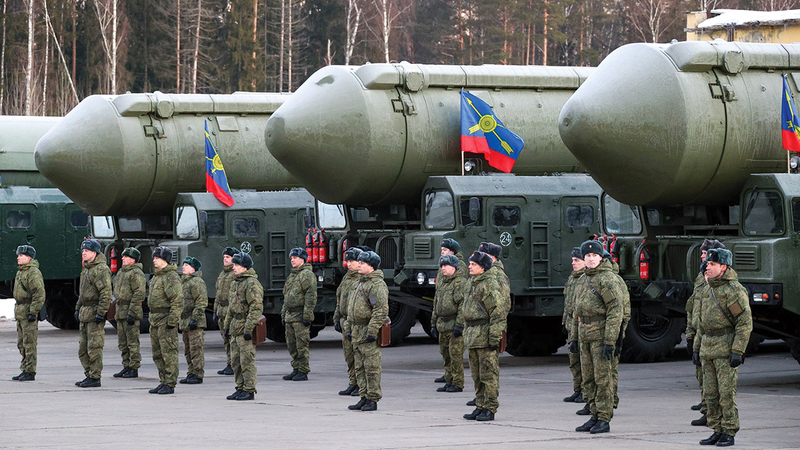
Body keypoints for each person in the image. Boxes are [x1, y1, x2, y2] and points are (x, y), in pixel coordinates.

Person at [692, 248, 752, 447]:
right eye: (707, 264)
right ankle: (716, 429)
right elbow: (701, 322)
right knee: (710, 393)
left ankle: (729, 430)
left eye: (712, 264)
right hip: (707, 348)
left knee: (726, 394)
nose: (707, 267)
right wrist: (696, 347)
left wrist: (738, 350)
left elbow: (744, 322)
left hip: (725, 349)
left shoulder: (733, 290)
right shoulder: (707, 289)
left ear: (723, 267)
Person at [569, 240, 626, 434]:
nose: (591, 259)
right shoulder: (581, 280)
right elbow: (577, 312)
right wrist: (575, 338)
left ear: (601, 257)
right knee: (588, 379)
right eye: (587, 256)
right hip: (585, 334)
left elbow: (615, 310)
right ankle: (593, 414)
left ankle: (604, 417)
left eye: (594, 256)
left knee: (603, 379)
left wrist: (610, 340)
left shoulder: (607, 279)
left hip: (600, 335)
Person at [461, 251, 506, 422]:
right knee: (477, 375)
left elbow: (498, 313)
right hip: (472, 335)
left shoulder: (489, 285)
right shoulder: (471, 283)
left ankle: (490, 407)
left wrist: (494, 338)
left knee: (488, 374)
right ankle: (480, 405)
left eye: (473, 264)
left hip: (484, 334)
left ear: (483, 267)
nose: (469, 266)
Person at [686, 239, 725, 426]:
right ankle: (707, 407)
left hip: (715, 337)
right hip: (700, 331)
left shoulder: (720, 281)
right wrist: (690, 333)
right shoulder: (702, 276)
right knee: (702, 375)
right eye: (703, 254)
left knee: (715, 380)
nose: (703, 257)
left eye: (706, 254)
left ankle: (713, 413)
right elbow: (694, 305)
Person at [346, 251, 389, 412]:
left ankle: (372, 398)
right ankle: (363, 396)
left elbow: (380, 310)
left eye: (362, 263)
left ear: (371, 266)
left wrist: (372, 331)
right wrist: (350, 328)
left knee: (371, 367)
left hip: (366, 329)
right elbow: (352, 308)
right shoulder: (360, 283)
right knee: (359, 366)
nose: (359, 265)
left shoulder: (376, 285)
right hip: (357, 329)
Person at [224, 252, 263, 401]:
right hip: (235, 324)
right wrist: (227, 326)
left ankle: (249, 388)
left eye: (237, 265)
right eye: (233, 264)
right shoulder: (235, 283)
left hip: (244, 325)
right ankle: (240, 386)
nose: (234, 267)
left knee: (247, 360)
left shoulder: (251, 283)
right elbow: (231, 307)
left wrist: (249, 328)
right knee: (236, 360)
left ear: (245, 267)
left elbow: (256, 307)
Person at [74, 239, 112, 388]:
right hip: (85, 313)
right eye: (83, 251)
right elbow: (82, 294)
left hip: (94, 312)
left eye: (87, 251)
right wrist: (77, 308)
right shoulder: (87, 269)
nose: (83, 253)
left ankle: (95, 376)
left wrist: (101, 312)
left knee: (94, 347)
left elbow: (106, 293)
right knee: (83, 348)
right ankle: (88, 374)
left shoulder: (100, 269)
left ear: (95, 253)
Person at [147, 246, 182, 395]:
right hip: (155, 319)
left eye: (157, 257)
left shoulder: (171, 277)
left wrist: (172, 321)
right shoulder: (157, 277)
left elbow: (177, 300)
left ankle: (170, 382)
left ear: (165, 260)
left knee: (168, 352)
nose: (154, 260)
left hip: (165, 319)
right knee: (157, 353)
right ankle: (163, 380)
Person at [431, 253, 467, 393]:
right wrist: (433, 323)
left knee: (455, 355)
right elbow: (436, 304)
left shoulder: (459, 283)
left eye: (446, 266)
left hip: (453, 324)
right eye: (442, 266)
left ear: (454, 267)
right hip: (443, 324)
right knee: (445, 354)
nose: (443, 269)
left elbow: (462, 305)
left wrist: (459, 324)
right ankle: (449, 379)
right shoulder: (442, 283)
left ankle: (457, 382)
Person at [281, 247, 317, 381]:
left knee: (301, 345)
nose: (292, 260)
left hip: (300, 315)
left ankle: (303, 370)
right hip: (290, 315)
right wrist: (283, 313)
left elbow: (310, 296)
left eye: (295, 258)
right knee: (292, 345)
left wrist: (307, 315)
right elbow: (287, 295)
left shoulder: (307, 275)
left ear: (302, 259)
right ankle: (296, 368)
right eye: (291, 258)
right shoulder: (293, 275)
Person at [112, 247, 146, 379]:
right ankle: (126, 366)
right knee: (123, 342)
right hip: (120, 311)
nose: (122, 258)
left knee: (132, 342)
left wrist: (132, 312)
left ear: (133, 259)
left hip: (130, 311)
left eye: (126, 257)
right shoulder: (121, 272)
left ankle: (134, 367)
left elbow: (139, 293)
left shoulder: (136, 273)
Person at [12, 245, 44, 382]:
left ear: (29, 258)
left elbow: (39, 294)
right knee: (21, 343)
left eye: (21, 255)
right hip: (21, 312)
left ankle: (30, 371)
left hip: (28, 312)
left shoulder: (33, 273)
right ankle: (24, 368)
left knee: (29, 343)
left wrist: (33, 311)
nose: (18, 257)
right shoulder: (21, 272)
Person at [333, 246, 363, 396]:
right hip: (345, 321)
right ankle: (353, 382)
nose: (349, 264)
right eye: (348, 261)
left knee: (358, 356)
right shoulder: (347, 278)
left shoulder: (361, 279)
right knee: (349, 355)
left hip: (355, 322)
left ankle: (361, 385)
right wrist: (337, 317)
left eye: (352, 261)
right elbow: (340, 298)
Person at [179, 256, 207, 385]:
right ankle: (191, 372)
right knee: (188, 349)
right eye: (183, 264)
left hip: (194, 321)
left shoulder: (196, 282)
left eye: (187, 265)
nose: (183, 266)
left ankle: (198, 373)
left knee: (196, 349)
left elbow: (201, 301)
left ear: (193, 268)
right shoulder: (184, 281)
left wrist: (195, 318)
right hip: (185, 321)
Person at [562, 247, 585, 404]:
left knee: (584, 360)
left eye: (577, 260)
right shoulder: (573, 278)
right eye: (572, 261)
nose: (573, 263)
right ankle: (578, 389)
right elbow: (568, 303)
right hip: (571, 323)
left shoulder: (585, 279)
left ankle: (586, 391)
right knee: (574, 359)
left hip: (581, 324)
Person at [215, 247, 240, 376]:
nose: (225, 259)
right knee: (226, 339)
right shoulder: (222, 274)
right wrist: (215, 310)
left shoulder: (235, 274)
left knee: (232, 339)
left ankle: (234, 364)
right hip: (221, 310)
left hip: (230, 311)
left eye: (228, 257)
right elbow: (218, 294)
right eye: (224, 257)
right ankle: (229, 363)